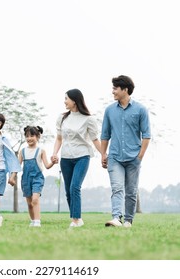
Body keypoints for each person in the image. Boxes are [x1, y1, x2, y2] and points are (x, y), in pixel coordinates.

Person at [101, 75, 151, 228]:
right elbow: (105, 134)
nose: (113, 92)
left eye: (115, 89)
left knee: (131, 191)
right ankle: (117, 217)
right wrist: (103, 154)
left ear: (125, 90)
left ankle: (128, 220)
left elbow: (146, 135)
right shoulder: (109, 110)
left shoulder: (141, 109)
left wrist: (140, 157)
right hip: (115, 157)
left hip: (133, 157)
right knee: (117, 188)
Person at [51, 89, 102, 227]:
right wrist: (54, 153)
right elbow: (59, 138)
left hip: (82, 156)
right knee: (68, 191)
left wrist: (104, 154)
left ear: (74, 100)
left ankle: (76, 219)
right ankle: (76, 218)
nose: (64, 101)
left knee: (75, 187)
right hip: (66, 158)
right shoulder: (62, 118)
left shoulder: (88, 119)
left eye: (66, 98)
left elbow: (95, 139)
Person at [19, 126, 55, 227]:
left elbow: (47, 166)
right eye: (27, 136)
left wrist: (53, 162)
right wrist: (12, 177)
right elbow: (18, 166)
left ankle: (37, 221)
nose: (29, 138)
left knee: (35, 199)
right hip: (25, 179)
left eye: (32, 135)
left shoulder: (41, 151)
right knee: (30, 203)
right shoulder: (22, 151)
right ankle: (33, 220)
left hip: (37, 178)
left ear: (38, 136)